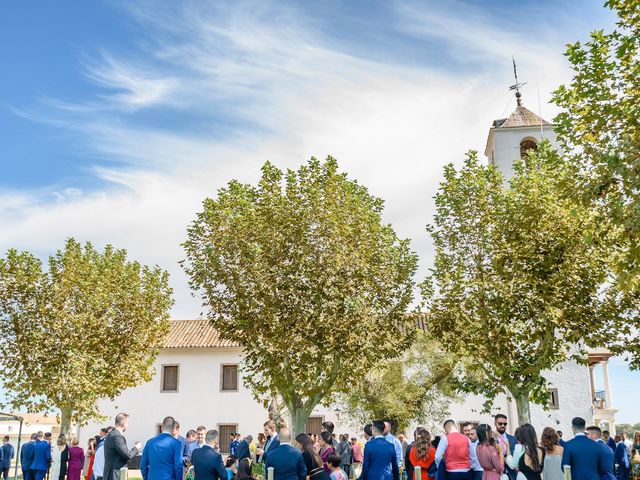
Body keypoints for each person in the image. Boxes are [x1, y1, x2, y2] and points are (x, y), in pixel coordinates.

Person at [103, 413, 141, 480]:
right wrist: (136, 448)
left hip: (112, 473)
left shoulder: (112, 434)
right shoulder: (117, 436)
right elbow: (128, 455)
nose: (127, 425)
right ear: (123, 423)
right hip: (114, 474)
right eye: (127, 423)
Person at [494, 414, 516, 480]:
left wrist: (508, 459)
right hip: (496, 475)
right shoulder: (490, 440)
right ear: (495, 424)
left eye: (505, 424)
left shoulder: (513, 439)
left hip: (511, 475)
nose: (503, 425)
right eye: (500, 423)